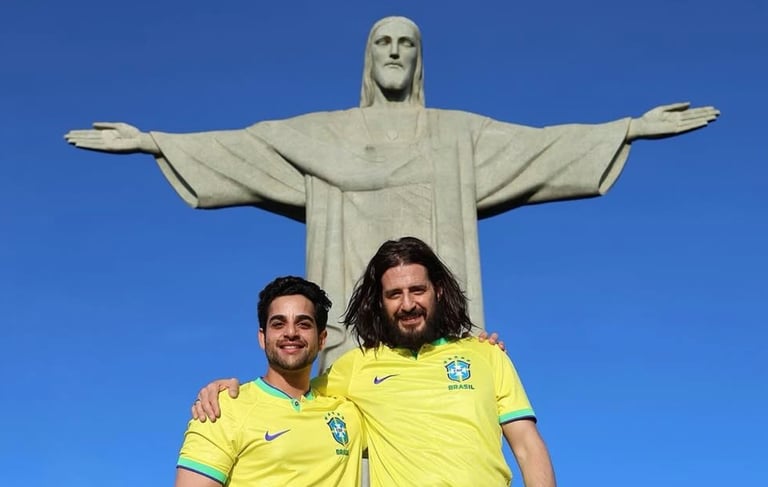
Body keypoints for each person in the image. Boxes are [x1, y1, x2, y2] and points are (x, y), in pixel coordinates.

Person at [64, 16, 719, 369]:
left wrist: (627, 128)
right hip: (349, 345)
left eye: (407, 43)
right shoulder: (323, 134)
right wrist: (153, 141)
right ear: (369, 57)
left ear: (419, 59)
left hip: (439, 343)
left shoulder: (456, 135)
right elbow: (248, 147)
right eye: (384, 42)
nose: (396, 51)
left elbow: (540, 147)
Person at [195, 237, 556, 486]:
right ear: (380, 302)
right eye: (394, 294)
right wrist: (229, 390)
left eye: (417, 290)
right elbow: (290, 392)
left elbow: (527, 447)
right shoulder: (356, 367)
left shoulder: (487, 355)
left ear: (438, 291)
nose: (407, 303)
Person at [175, 276, 364, 486]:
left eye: (303, 324)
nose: (291, 333)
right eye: (278, 324)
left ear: (322, 339)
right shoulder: (221, 409)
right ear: (262, 338)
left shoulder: (350, 414)